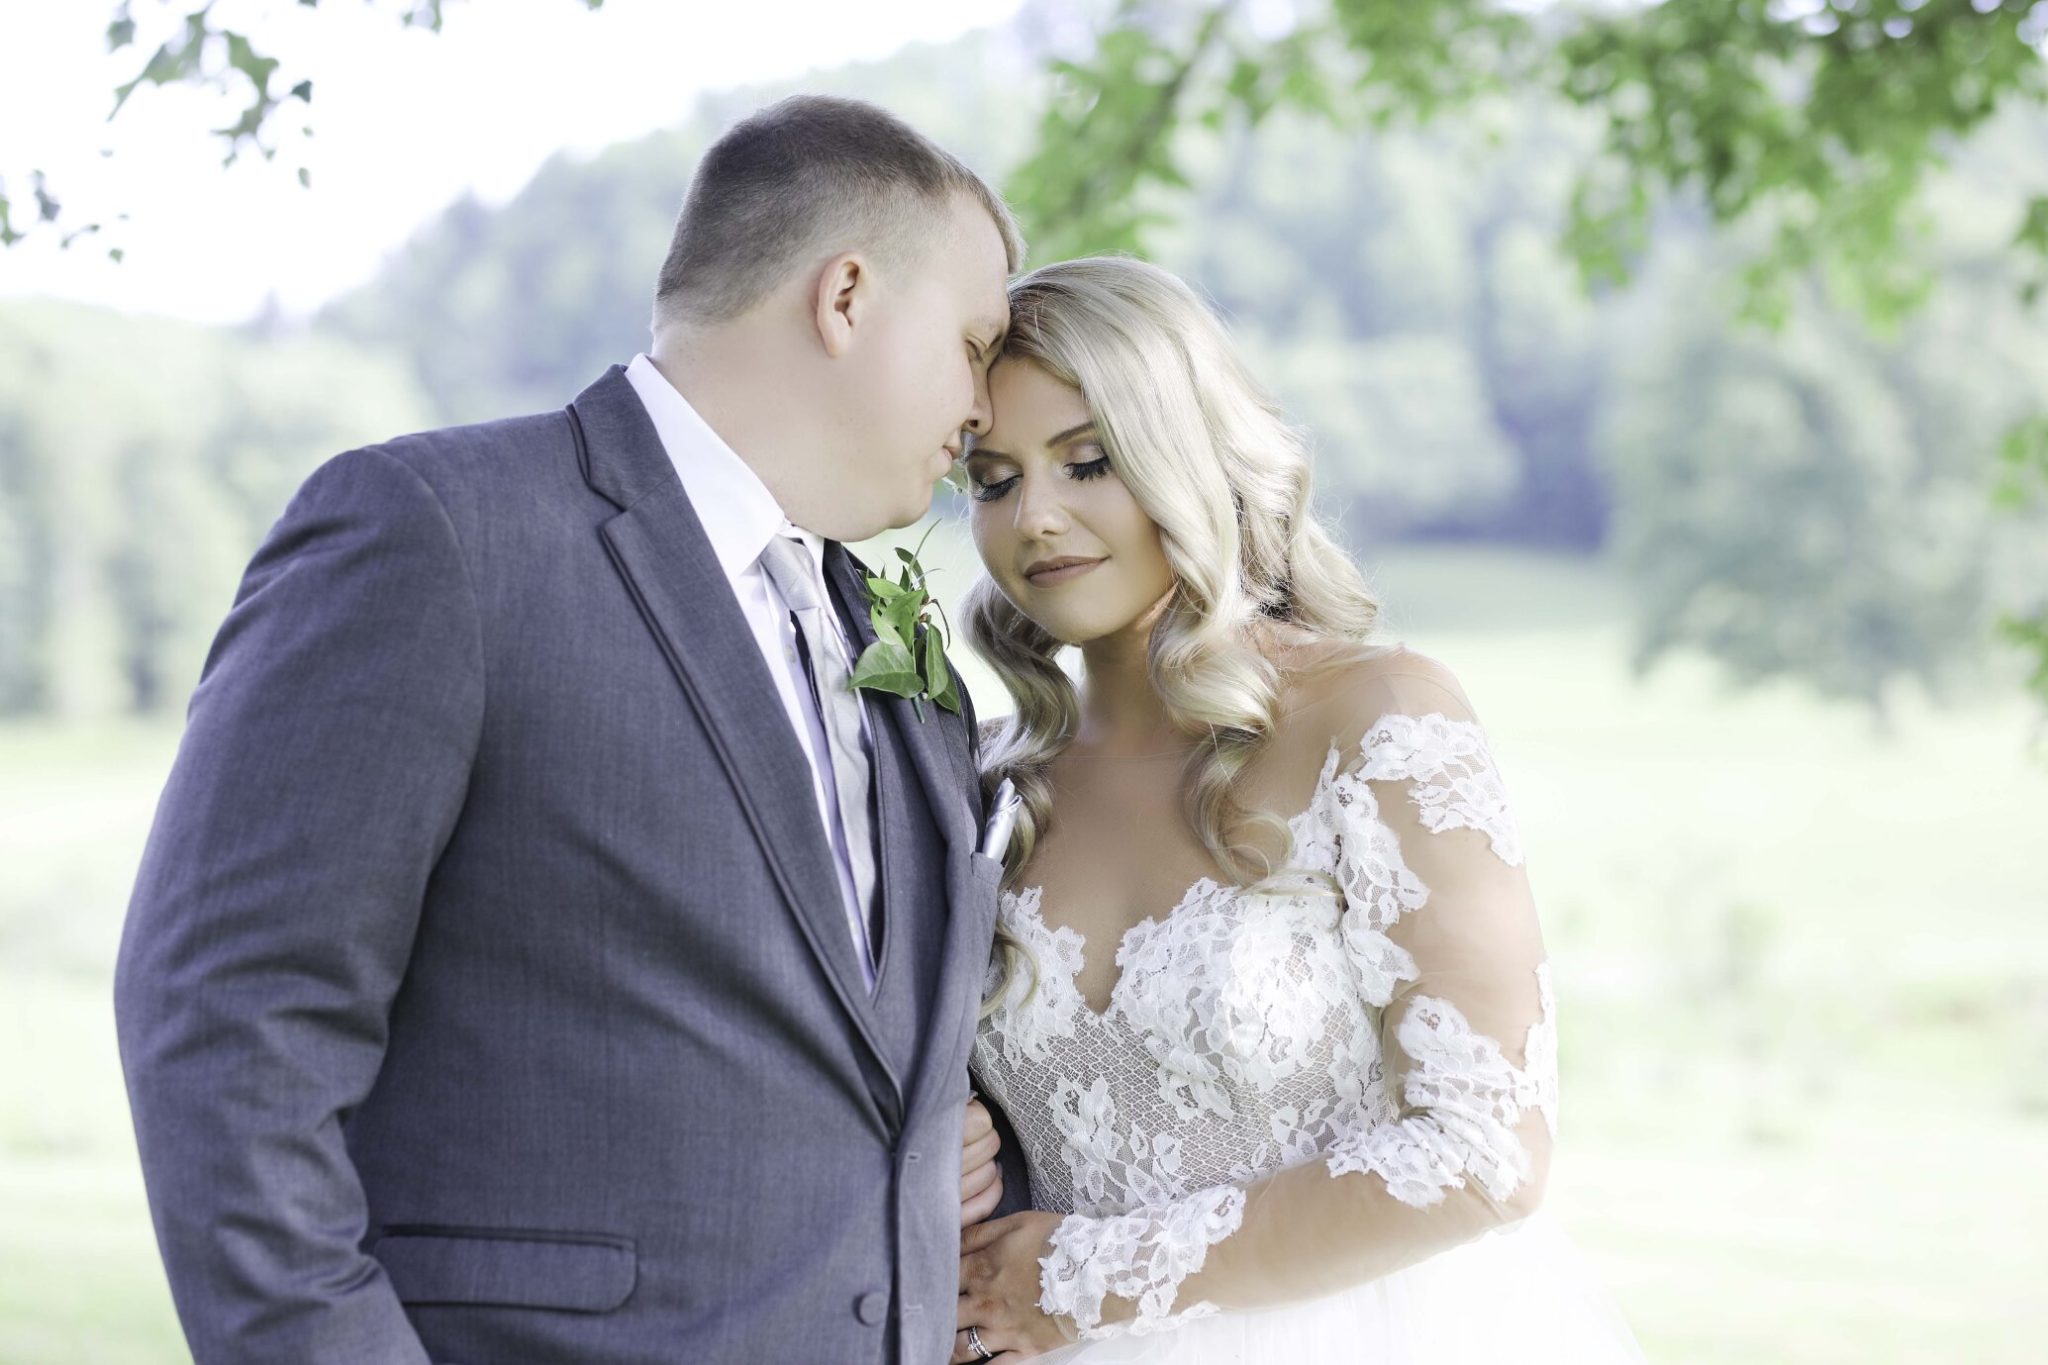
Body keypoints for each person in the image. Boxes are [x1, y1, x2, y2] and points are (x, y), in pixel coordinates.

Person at [114, 94, 1018, 1365]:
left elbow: (862, 1052)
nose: (983, 404)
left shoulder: (885, 632)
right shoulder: (439, 535)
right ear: (848, 297)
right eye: (973, 341)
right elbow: (229, 1024)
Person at [949, 257, 1644, 1362]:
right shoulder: (984, 781)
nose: (1035, 518)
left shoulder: (1377, 719)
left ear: (1188, 458)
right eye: (991, 479)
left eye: (1087, 463)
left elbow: (1482, 1151)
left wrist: (1085, 1281)